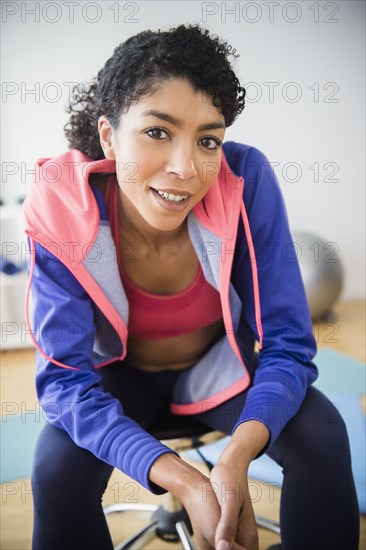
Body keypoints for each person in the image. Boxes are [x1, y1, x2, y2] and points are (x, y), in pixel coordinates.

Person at [23, 24, 359, 550]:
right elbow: (64, 383)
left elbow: (289, 345)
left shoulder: (244, 180)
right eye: (157, 132)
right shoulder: (61, 205)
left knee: (321, 431)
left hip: (218, 374)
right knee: (55, 465)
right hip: (119, 381)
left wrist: (236, 457)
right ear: (109, 135)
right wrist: (183, 478)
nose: (186, 168)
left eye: (208, 139)